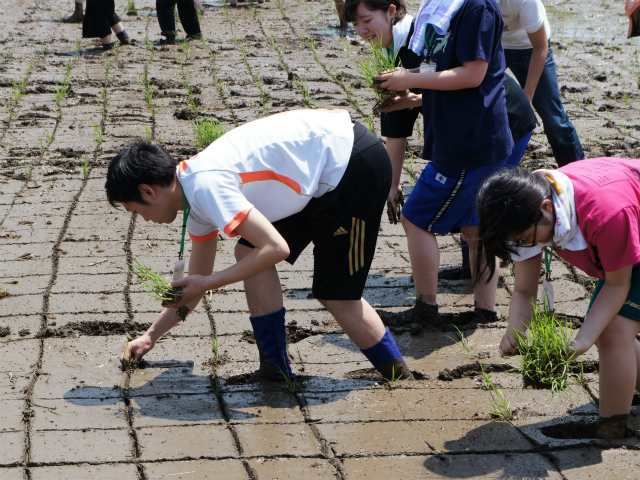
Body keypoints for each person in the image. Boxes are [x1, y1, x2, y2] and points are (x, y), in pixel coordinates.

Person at [105, 109, 414, 382]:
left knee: (336, 293)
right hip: (321, 169)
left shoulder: (205, 186)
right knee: (249, 251)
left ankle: (401, 379)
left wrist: (210, 282)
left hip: (352, 164)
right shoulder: (191, 193)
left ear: (148, 192)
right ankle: (275, 371)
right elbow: (194, 286)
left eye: (137, 211)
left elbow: (276, 248)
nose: (144, 220)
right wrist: (150, 337)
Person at [474, 158, 640, 438]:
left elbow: (616, 285)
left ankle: (612, 431)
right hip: (626, 236)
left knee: (612, 331)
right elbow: (524, 289)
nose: (527, 246)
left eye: (527, 238)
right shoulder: (529, 208)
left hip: (625, 223)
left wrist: (583, 339)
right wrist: (516, 330)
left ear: (547, 209)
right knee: (606, 329)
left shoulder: (606, 214)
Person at [373, 0, 513, 328]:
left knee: (415, 218)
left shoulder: (477, 8)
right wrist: (415, 96)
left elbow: (474, 74)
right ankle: (486, 312)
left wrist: (409, 75)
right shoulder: (442, 6)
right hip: (469, 136)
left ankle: (425, 308)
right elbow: (442, 67)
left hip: (469, 142)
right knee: (476, 228)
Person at [341, 0, 422, 223]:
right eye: (355, 24)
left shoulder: (420, 40)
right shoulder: (390, 51)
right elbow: (395, 127)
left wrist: (414, 100)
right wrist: (392, 185)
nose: (361, 31)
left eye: (367, 20)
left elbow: (456, 92)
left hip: (497, 121)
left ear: (392, 11)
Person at [497, 0, 584, 167]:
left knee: (554, 119)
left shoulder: (525, 2)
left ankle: (577, 171)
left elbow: (541, 47)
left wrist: (527, 98)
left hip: (529, 46)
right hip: (493, 46)